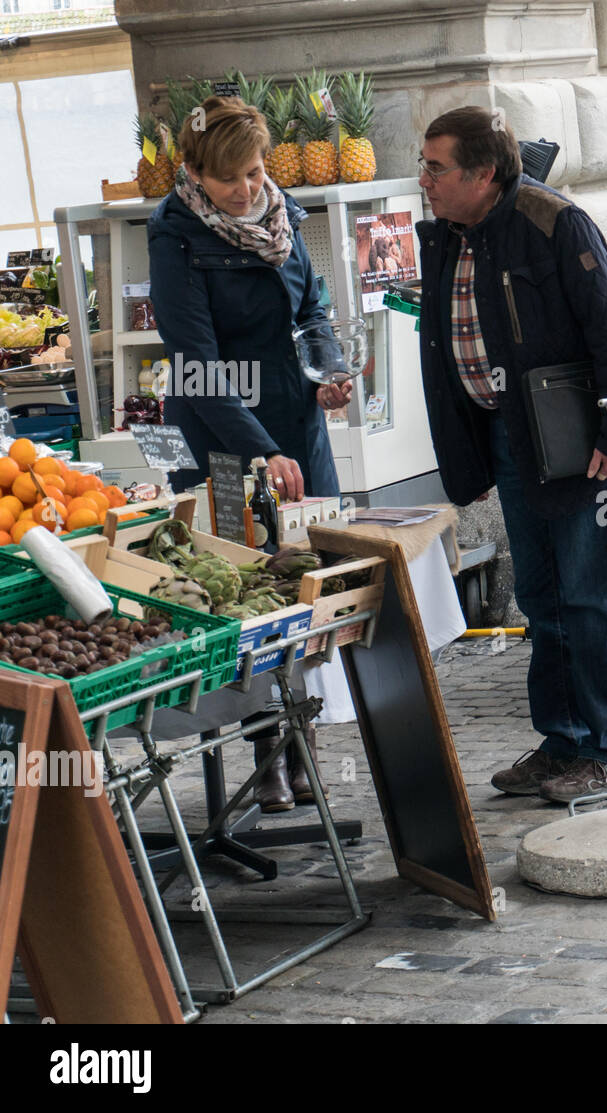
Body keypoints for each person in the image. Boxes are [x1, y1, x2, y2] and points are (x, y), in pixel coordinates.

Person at [413, 106, 607, 805]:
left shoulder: (551, 220)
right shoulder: (449, 235)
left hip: (574, 443)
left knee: (591, 596)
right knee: (540, 597)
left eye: (436, 166)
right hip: (510, 439)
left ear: (483, 173)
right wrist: (468, 455)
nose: (423, 179)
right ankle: (562, 739)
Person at [149, 95, 352, 812]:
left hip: (298, 432)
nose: (246, 188)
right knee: (252, 596)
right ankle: (264, 747)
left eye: (256, 170)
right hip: (226, 442)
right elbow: (196, 365)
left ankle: (306, 739)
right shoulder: (174, 236)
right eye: (230, 177)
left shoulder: (282, 212)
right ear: (196, 173)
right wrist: (260, 453)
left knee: (310, 584)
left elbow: (311, 311)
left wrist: (329, 373)